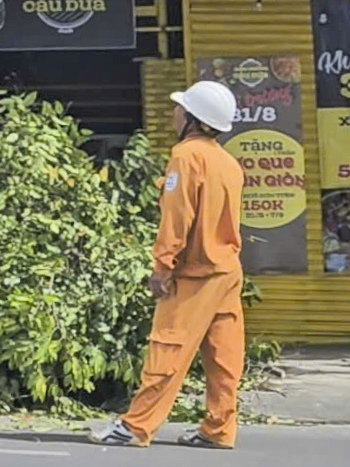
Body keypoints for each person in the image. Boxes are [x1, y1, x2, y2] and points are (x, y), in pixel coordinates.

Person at [93, 80, 245, 448]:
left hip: (195, 273)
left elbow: (177, 217)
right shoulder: (228, 163)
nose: (174, 113)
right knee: (224, 356)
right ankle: (219, 429)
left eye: (180, 109)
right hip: (227, 271)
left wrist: (162, 266)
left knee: (168, 348)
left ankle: (135, 427)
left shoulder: (186, 156)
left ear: (194, 119)